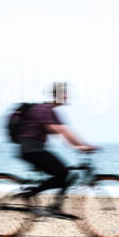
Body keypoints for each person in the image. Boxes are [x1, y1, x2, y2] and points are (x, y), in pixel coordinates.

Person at [16, 82, 96, 213]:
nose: (66, 97)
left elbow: (63, 131)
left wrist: (82, 145)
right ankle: (30, 195)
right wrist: (80, 146)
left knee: (63, 175)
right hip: (31, 150)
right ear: (56, 95)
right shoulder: (44, 110)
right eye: (64, 94)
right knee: (62, 173)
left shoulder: (50, 111)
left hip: (34, 149)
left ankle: (54, 205)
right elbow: (59, 130)